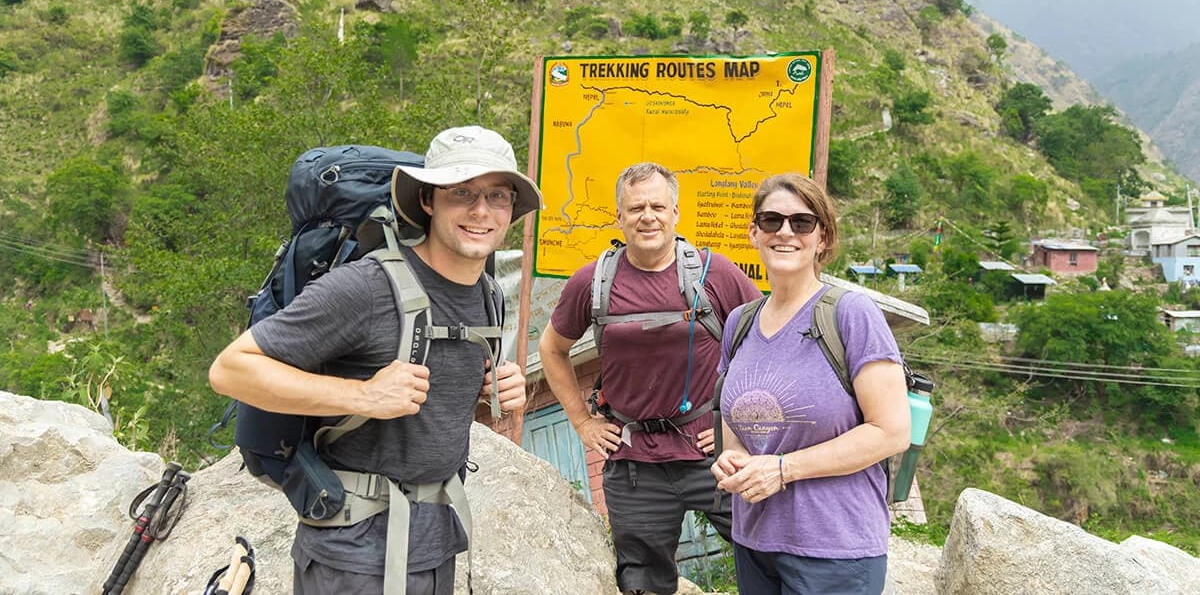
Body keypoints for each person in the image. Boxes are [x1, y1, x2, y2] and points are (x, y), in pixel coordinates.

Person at [209, 125, 543, 595]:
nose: (481, 210)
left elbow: (429, 418)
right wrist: (363, 394)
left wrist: (492, 400)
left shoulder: (487, 296)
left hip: (436, 545)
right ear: (427, 199)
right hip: (352, 557)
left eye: (497, 195)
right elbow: (230, 369)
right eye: (461, 192)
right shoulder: (367, 287)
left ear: (513, 207)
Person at [539, 162, 761, 595]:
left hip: (712, 456)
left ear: (676, 212)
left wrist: (737, 425)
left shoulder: (716, 274)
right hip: (634, 462)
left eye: (658, 206)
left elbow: (767, 346)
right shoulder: (593, 282)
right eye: (636, 207)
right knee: (642, 583)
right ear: (619, 217)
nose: (648, 216)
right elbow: (551, 349)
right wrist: (583, 422)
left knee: (767, 555)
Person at [710, 173, 910, 595]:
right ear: (754, 232)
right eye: (771, 221)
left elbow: (892, 432)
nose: (785, 232)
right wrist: (733, 460)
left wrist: (784, 470)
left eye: (802, 223)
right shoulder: (739, 323)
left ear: (822, 238)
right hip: (755, 544)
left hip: (834, 550)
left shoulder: (851, 314)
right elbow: (737, 435)